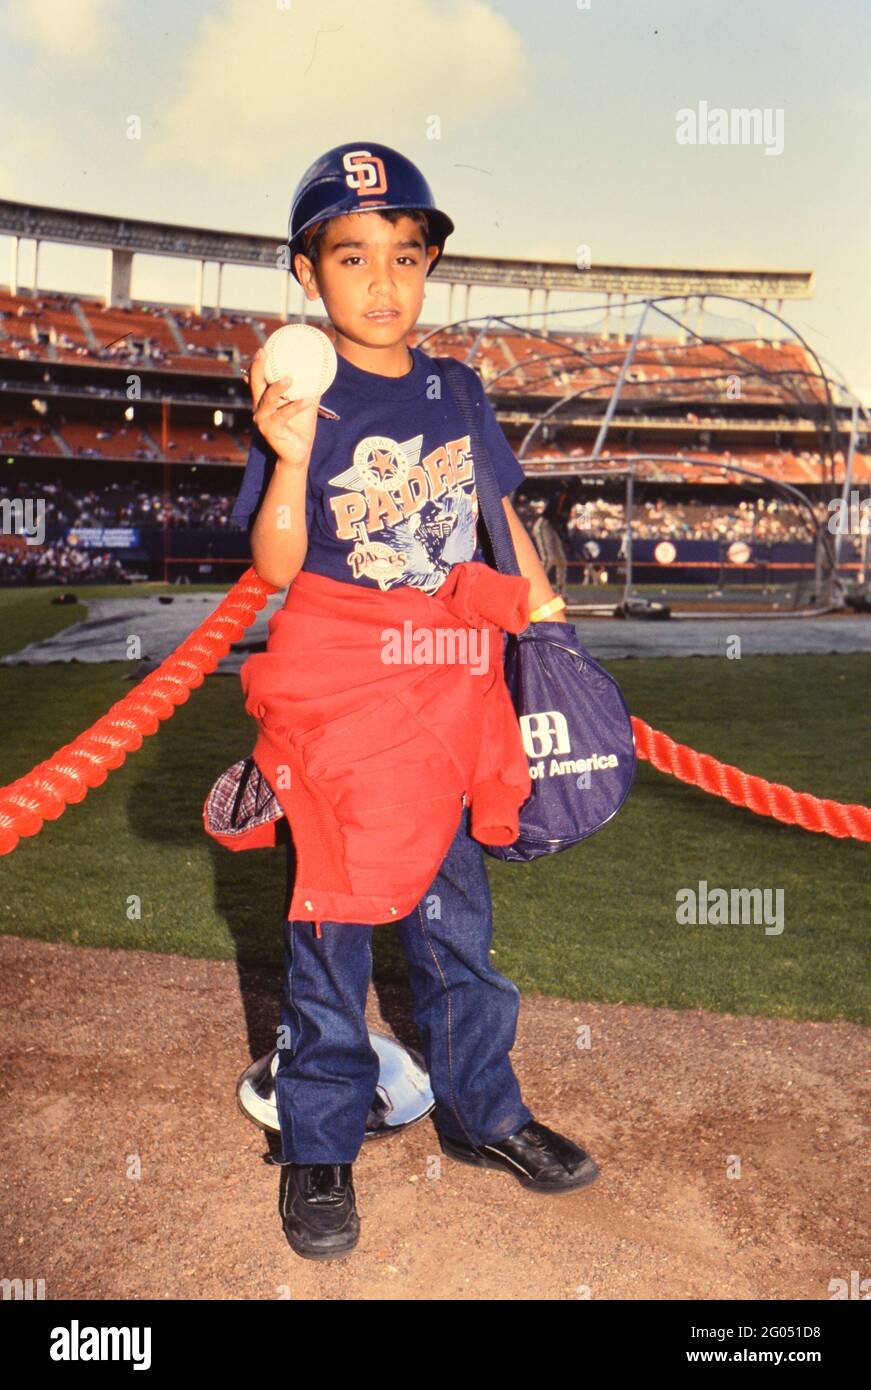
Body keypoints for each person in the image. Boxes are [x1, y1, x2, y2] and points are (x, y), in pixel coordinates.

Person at [228, 141, 599, 1261]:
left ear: (429, 265)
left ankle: (483, 1116)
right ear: (308, 274)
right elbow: (280, 566)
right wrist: (290, 455)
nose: (384, 282)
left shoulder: (455, 389)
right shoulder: (300, 388)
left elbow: (499, 526)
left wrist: (554, 638)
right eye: (352, 257)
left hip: (452, 696)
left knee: (460, 934)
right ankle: (319, 1146)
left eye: (406, 255)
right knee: (332, 937)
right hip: (345, 709)